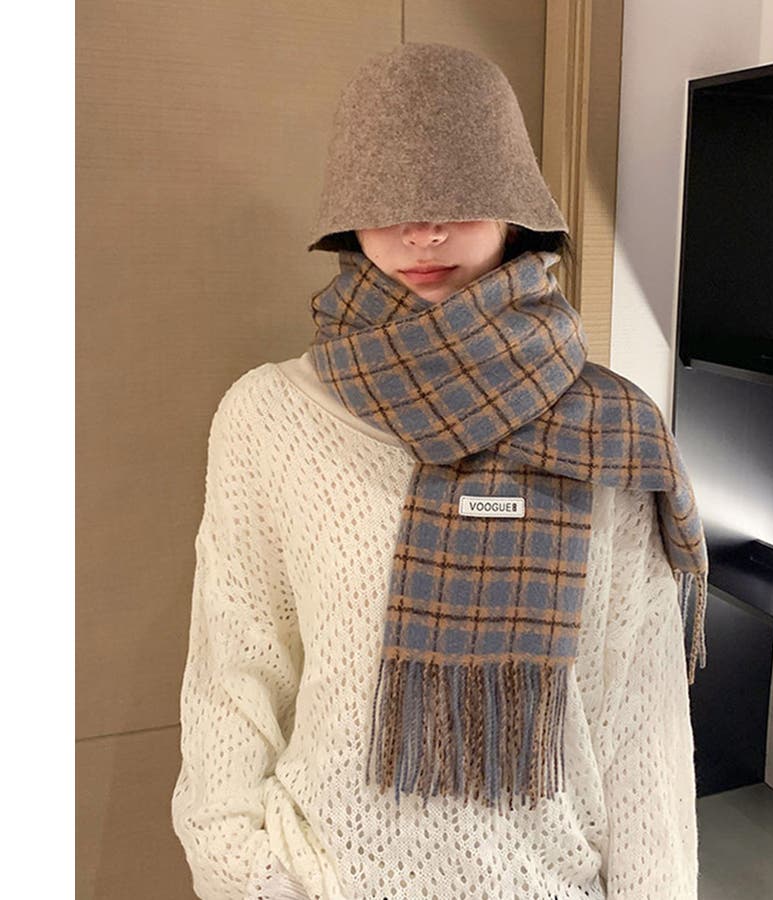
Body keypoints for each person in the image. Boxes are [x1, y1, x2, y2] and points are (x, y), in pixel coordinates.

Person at [172, 43, 707, 900]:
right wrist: (244, 870)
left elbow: (640, 725)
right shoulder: (269, 417)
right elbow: (235, 667)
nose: (422, 232)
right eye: (386, 201)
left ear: (516, 210)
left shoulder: (609, 432)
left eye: (458, 198)